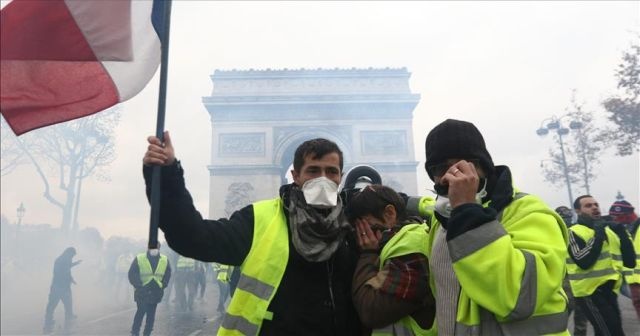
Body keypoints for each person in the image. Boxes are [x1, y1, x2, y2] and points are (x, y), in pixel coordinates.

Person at [143, 133, 362, 335]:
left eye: (331, 171)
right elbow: (193, 237)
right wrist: (167, 175)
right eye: (313, 170)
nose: (323, 179)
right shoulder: (259, 220)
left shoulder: (354, 228)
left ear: (341, 177)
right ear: (295, 175)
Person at [406, 119, 570, 334]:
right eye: (440, 167)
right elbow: (429, 206)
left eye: (464, 164)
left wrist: (466, 208)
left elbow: (518, 297)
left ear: (484, 165)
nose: (452, 175)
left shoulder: (530, 212)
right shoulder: (443, 218)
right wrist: (403, 201)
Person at [346, 184, 435, 335]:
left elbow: (371, 311)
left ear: (389, 213)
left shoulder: (411, 248)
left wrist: (368, 254)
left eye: (367, 228)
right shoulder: (397, 242)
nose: (363, 238)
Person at [566, 195, 636, 335]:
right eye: (588, 206)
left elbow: (630, 262)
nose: (594, 207)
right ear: (578, 211)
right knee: (609, 332)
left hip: (609, 291)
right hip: (589, 292)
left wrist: (622, 234)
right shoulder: (573, 232)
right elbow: (583, 261)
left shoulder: (609, 231)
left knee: (611, 330)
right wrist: (598, 234)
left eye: (596, 204)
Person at [555, 206, 588, 336]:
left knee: (581, 320)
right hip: (566, 282)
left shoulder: (574, 232)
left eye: (568, 217)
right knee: (561, 318)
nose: (567, 220)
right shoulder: (555, 234)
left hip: (577, 282)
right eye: (565, 218)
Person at [128, 243, 172, 336]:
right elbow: (132, 273)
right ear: (148, 247)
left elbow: (168, 273)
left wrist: (163, 285)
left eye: (157, 247)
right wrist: (139, 285)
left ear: (159, 248)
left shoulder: (164, 259)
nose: (154, 249)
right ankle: (135, 332)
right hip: (142, 291)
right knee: (141, 311)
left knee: (151, 315)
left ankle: (147, 333)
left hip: (155, 291)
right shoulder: (140, 258)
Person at [609, 199, 640, 319]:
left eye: (618, 216)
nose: (615, 220)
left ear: (628, 214)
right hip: (632, 280)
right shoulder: (624, 230)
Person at [43, 247, 82, 334]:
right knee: (63, 306)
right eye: (72, 255)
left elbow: (67, 268)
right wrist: (69, 279)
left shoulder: (62, 259)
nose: (72, 257)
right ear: (69, 253)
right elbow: (64, 272)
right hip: (61, 287)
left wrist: (75, 264)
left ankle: (48, 323)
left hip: (58, 287)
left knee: (53, 307)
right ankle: (66, 324)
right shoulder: (63, 260)